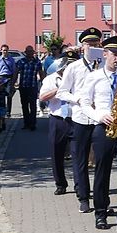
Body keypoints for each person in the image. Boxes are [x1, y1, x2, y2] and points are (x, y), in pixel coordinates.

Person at [79, 35, 117, 233]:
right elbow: (84, 103)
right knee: (102, 172)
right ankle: (101, 213)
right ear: (105, 54)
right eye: (114, 54)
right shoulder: (94, 76)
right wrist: (99, 115)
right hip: (104, 127)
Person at [55, 27, 104, 213]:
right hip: (81, 118)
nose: (92, 46)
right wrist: (78, 99)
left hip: (100, 118)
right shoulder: (74, 67)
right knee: (80, 159)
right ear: (82, 46)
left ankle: (102, 199)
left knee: (102, 160)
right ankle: (83, 197)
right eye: (88, 44)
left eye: (95, 43)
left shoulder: (105, 66)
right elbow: (62, 92)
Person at [39, 52, 75, 195]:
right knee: (56, 153)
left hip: (76, 119)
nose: (67, 68)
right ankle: (60, 184)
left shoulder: (78, 78)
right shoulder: (50, 79)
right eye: (66, 65)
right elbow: (42, 97)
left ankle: (80, 186)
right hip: (58, 119)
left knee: (79, 154)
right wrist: (59, 89)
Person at [15, 45, 44, 130]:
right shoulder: (21, 61)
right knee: (24, 105)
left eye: (31, 51)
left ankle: (32, 124)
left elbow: (41, 73)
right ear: (25, 52)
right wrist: (13, 83)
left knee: (33, 106)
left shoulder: (37, 62)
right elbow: (16, 72)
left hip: (32, 86)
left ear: (33, 52)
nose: (30, 53)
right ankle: (26, 123)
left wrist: (44, 84)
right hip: (23, 86)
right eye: (28, 51)